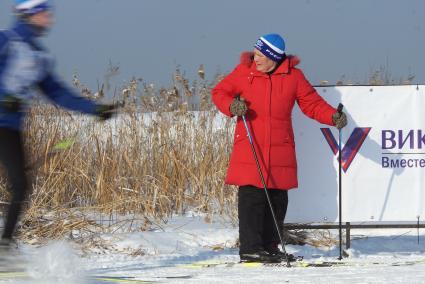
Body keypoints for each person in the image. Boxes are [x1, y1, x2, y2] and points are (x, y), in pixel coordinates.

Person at [211, 33, 347, 263]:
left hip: (280, 148)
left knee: (277, 199)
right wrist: (232, 106)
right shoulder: (244, 72)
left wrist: (333, 117)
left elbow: (311, 104)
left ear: (274, 57)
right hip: (251, 145)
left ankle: (270, 247)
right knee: (252, 197)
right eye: (255, 53)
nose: (256, 58)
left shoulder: (293, 77)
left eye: (262, 55)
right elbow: (219, 93)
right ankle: (251, 249)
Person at [0, 0, 117, 250]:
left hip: (9, 127)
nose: (50, 19)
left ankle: (5, 249)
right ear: (28, 14)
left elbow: (58, 93)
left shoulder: (39, 56)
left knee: (20, 185)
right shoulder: (6, 41)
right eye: (44, 13)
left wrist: (94, 108)